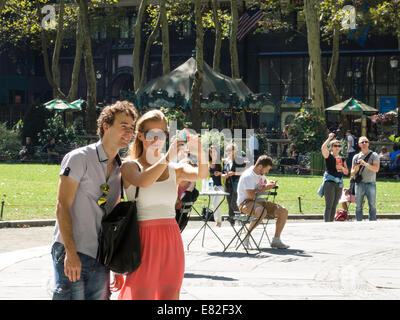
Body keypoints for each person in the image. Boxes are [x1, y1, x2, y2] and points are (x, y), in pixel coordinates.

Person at [116, 109, 208, 300]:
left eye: (163, 134)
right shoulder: (129, 166)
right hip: (141, 240)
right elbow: (144, 181)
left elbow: (202, 174)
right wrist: (167, 157)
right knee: (141, 295)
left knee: (170, 295)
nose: (158, 139)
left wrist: (200, 151)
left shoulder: (175, 169)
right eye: (153, 134)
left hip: (171, 239)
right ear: (140, 136)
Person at [51, 100, 138, 300]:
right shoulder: (79, 158)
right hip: (72, 250)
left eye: (131, 128)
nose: (129, 132)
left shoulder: (120, 169)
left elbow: (113, 219)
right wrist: (70, 253)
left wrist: (115, 263)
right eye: (123, 126)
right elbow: (62, 207)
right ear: (106, 126)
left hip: (101, 257)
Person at [236, 155, 289, 249]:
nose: (267, 172)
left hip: (260, 202)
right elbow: (252, 196)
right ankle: (246, 236)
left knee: (283, 211)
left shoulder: (260, 173)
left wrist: (270, 183)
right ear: (260, 166)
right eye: (267, 169)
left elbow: (265, 181)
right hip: (245, 203)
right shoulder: (248, 176)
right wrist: (265, 188)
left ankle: (276, 240)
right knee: (261, 211)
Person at [319, 133, 349, 222]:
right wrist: (329, 138)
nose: (337, 147)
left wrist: (342, 168)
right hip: (329, 182)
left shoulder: (342, 159)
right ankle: (326, 223)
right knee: (329, 205)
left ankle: (331, 223)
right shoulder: (329, 156)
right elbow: (323, 148)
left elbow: (347, 172)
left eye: (339, 146)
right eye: (335, 145)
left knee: (334, 205)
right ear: (332, 147)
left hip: (339, 183)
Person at [351, 136, 380, 221]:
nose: (364, 144)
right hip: (359, 184)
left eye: (366, 142)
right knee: (358, 206)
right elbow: (352, 172)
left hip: (371, 183)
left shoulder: (374, 155)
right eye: (362, 142)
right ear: (359, 144)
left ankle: (372, 223)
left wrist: (365, 164)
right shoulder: (356, 157)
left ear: (368, 143)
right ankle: (359, 223)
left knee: (372, 205)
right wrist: (357, 167)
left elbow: (376, 169)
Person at [222, 143, 246, 225]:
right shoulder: (226, 161)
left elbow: (244, 172)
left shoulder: (240, 160)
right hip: (228, 184)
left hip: (237, 183)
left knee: (234, 203)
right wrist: (223, 175)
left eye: (229, 150)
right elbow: (223, 172)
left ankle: (242, 218)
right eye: (226, 150)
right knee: (229, 205)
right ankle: (232, 223)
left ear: (234, 151)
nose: (227, 152)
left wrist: (234, 173)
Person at [208, 146, 225, 227]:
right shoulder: (209, 163)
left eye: (214, 152)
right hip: (212, 187)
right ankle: (217, 221)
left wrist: (220, 173)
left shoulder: (221, 162)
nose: (213, 154)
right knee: (214, 204)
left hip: (221, 186)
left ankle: (219, 221)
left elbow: (227, 173)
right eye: (211, 152)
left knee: (215, 202)